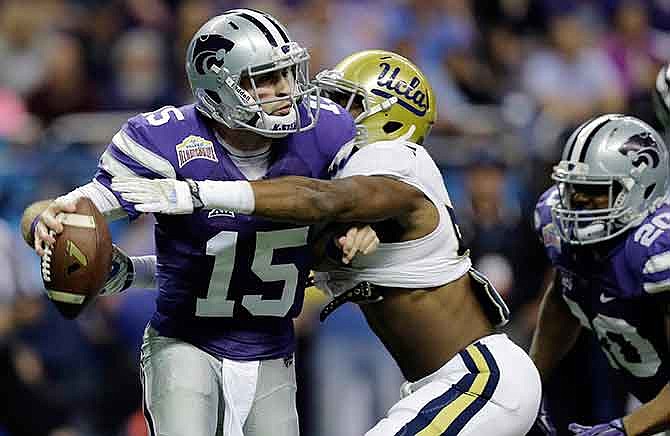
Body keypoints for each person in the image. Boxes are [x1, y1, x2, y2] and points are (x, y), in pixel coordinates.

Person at [113, 49, 542, 435]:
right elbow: (234, 268)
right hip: (438, 383)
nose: (323, 111)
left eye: (345, 101)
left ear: (390, 117)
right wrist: (130, 272)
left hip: (476, 378)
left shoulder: (396, 159)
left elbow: (322, 199)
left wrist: (199, 191)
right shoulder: (346, 188)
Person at [21, 9, 378, 436]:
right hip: (186, 342)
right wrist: (43, 221)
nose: (285, 90)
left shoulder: (325, 130)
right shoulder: (164, 138)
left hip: (273, 346)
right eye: (264, 79)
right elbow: (69, 209)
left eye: (286, 74)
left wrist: (366, 223)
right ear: (218, 88)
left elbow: (377, 199)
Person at [529, 113, 670, 436]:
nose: (578, 204)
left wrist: (624, 429)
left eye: (595, 192)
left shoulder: (654, 250)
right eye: (574, 190)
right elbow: (564, 298)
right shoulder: (560, 227)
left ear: (642, 190)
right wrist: (529, 382)